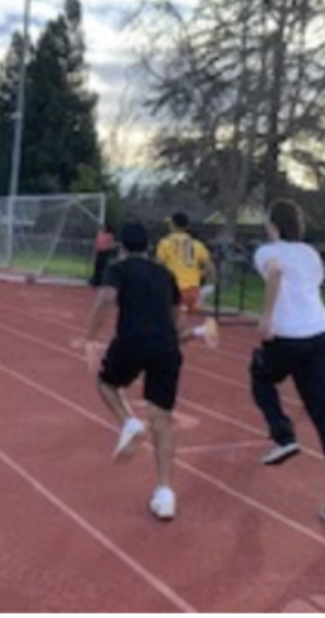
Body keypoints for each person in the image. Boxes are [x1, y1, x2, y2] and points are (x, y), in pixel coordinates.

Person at [85, 222, 218, 521]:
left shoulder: (118, 269)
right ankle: (165, 491)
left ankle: (128, 421)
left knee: (105, 383)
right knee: (163, 419)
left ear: (122, 247)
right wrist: (189, 333)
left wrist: (90, 337)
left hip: (131, 341)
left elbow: (106, 298)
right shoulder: (165, 275)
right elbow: (175, 323)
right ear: (149, 247)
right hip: (165, 348)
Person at [249, 199, 325, 525]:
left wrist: (267, 318)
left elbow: (275, 273)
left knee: (260, 376)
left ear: (272, 225)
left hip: (288, 336)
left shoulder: (266, 252)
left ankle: (283, 434)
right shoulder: (311, 254)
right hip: (321, 338)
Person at [156, 212, 216, 313]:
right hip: (193, 289)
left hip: (173, 290)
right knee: (188, 320)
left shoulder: (165, 243)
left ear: (173, 225)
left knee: (171, 319)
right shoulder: (197, 244)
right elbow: (210, 268)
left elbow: (158, 267)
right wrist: (198, 275)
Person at [91, 223, 117, 287]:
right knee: (97, 266)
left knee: (103, 267)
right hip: (99, 252)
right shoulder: (100, 233)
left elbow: (110, 244)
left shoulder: (110, 235)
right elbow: (97, 243)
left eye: (104, 227)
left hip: (105, 252)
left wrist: (108, 248)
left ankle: (102, 281)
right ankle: (96, 281)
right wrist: (97, 249)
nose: (103, 228)